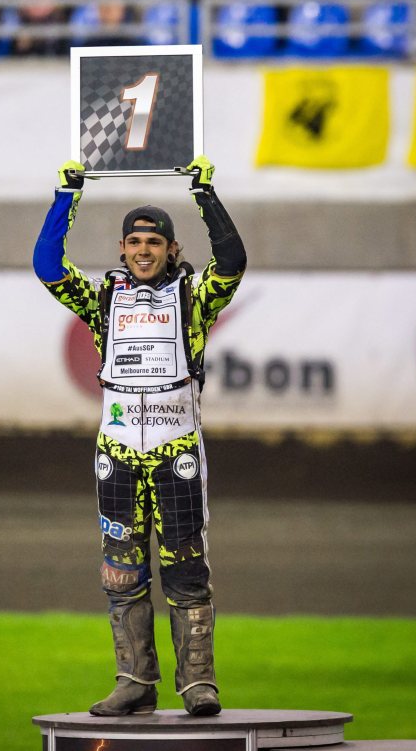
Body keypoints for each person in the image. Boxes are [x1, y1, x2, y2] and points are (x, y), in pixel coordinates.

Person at [33, 155, 246, 717]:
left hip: (177, 455)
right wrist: (67, 197)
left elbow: (233, 262)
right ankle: (135, 682)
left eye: (155, 241)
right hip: (117, 459)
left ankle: (198, 683)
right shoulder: (103, 300)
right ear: (123, 250)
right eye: (134, 242)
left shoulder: (194, 300)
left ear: (173, 250)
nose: (144, 250)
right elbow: (47, 266)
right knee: (121, 571)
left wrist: (205, 196)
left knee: (185, 568)